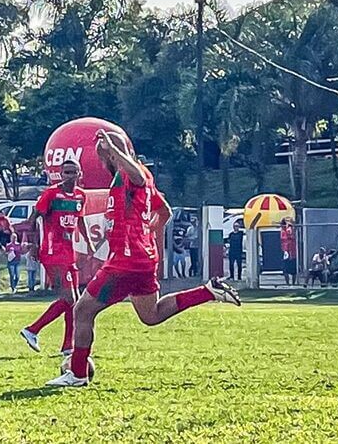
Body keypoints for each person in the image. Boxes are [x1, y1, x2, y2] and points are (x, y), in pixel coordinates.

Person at [46, 130, 240, 387]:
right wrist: (146, 231)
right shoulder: (128, 177)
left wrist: (115, 151)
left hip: (125, 261)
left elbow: (137, 177)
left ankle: (78, 373)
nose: (100, 156)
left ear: (114, 152)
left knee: (82, 310)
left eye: (102, 151)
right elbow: (165, 211)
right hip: (142, 259)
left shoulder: (131, 173)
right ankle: (208, 291)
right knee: (151, 315)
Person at [19, 159, 89, 357]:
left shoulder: (80, 196)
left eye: (73, 172)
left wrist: (89, 243)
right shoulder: (51, 194)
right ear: (60, 174)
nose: (69, 176)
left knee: (73, 303)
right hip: (52, 252)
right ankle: (32, 330)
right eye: (66, 172)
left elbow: (80, 221)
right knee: (70, 298)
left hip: (69, 253)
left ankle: (68, 346)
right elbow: (33, 219)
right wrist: (33, 244)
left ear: (79, 174)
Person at [280, 218, 298, 285]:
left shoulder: (289, 229)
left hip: (292, 252)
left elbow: (291, 236)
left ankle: (293, 283)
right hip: (285, 251)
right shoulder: (282, 231)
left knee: (293, 270)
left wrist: (291, 225)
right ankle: (288, 284)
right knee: (285, 270)